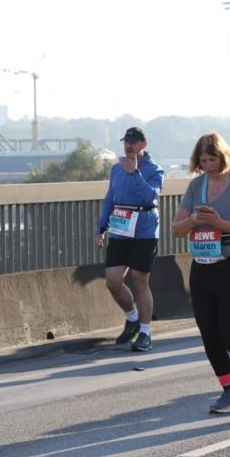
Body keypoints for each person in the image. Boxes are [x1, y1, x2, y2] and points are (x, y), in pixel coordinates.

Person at [172, 132, 230, 413]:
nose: (207, 164)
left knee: (229, 330)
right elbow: (176, 229)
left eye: (212, 159)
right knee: (208, 332)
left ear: (223, 157)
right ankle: (228, 390)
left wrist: (220, 222)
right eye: (202, 160)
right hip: (203, 263)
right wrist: (192, 219)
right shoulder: (195, 185)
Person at [95, 126, 166, 352]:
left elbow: (150, 196)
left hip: (144, 228)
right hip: (120, 226)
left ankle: (145, 333)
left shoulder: (155, 171)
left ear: (143, 145)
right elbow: (110, 199)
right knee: (113, 281)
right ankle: (132, 318)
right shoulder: (116, 169)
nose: (129, 145)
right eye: (126, 141)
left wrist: (135, 173)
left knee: (139, 280)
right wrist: (101, 228)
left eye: (134, 142)